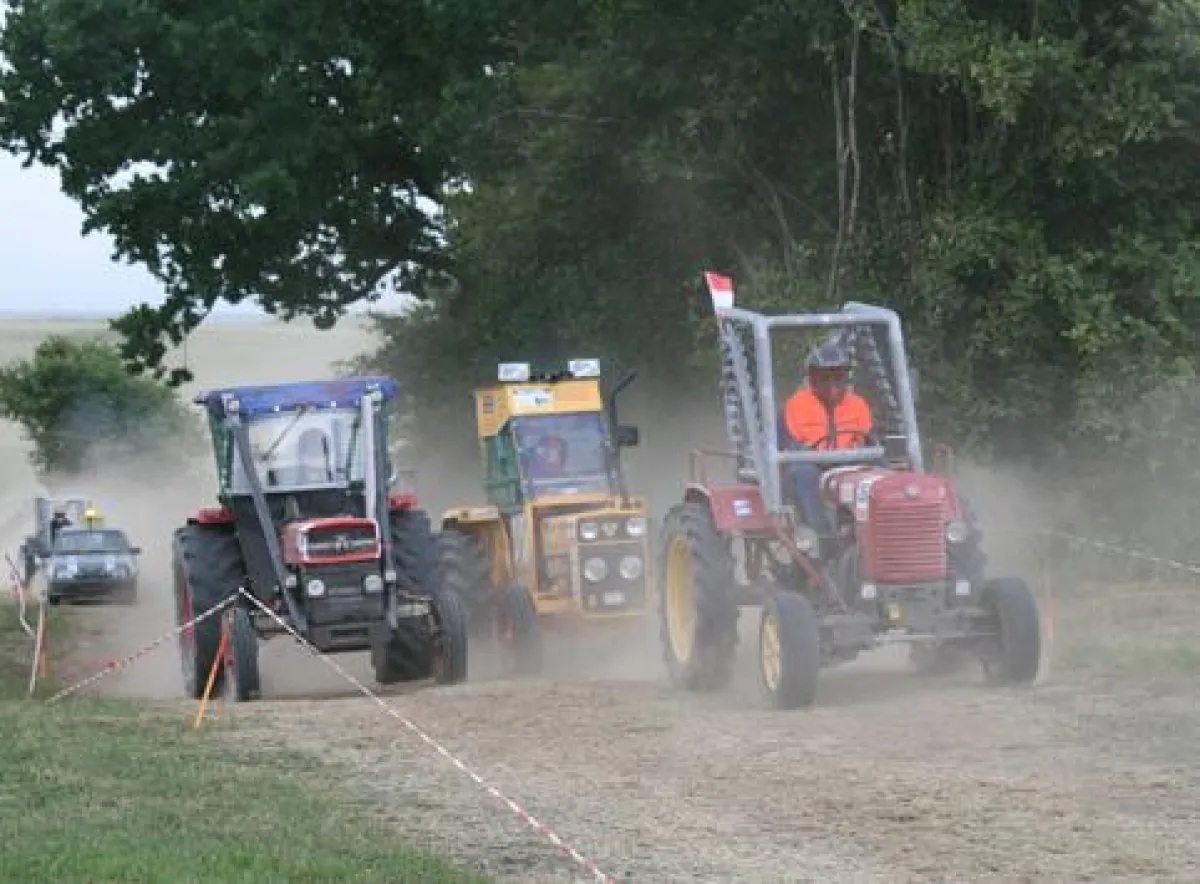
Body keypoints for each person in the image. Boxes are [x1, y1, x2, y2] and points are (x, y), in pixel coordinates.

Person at [781, 336, 875, 536]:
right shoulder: (796, 405)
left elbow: (869, 439)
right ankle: (822, 535)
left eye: (838, 376)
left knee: (885, 471)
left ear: (846, 377)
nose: (832, 383)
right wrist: (806, 452)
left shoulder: (858, 404)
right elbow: (791, 443)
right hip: (813, 463)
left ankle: (880, 528)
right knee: (803, 472)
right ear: (812, 378)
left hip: (851, 462)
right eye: (824, 377)